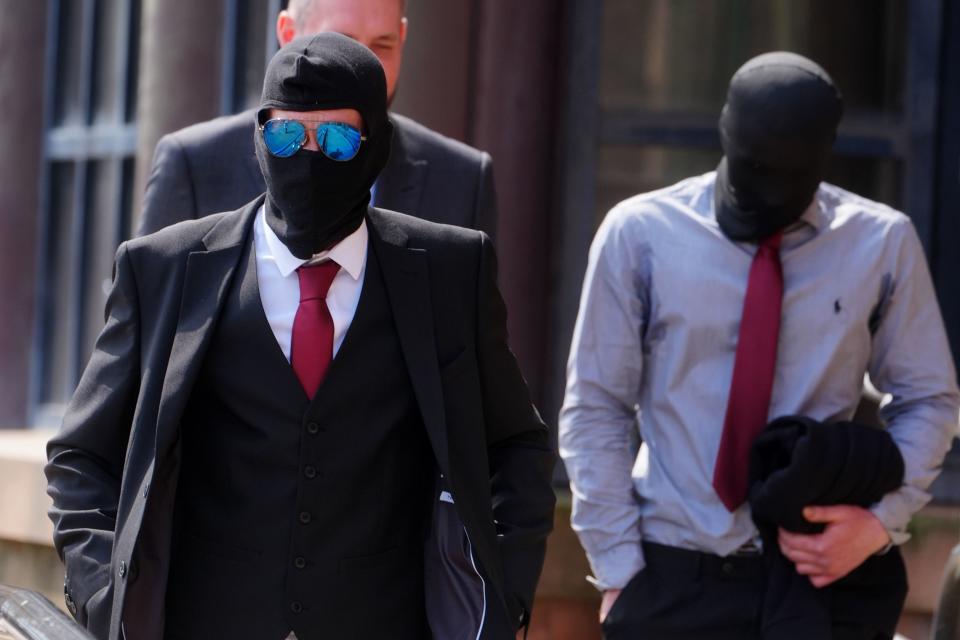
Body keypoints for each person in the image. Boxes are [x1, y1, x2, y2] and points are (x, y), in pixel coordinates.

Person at [46, 33, 554, 640]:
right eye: (287, 136)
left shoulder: (450, 270)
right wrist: (107, 594)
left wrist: (505, 598)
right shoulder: (162, 269)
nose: (308, 157)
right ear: (261, 139)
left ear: (375, 147)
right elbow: (81, 455)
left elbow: (517, 448)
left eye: (337, 140)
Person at [559, 51, 959, 639]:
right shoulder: (639, 234)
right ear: (726, 134)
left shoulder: (881, 245)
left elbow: (930, 399)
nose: (768, 192)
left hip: (819, 580)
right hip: (672, 576)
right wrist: (619, 573)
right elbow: (594, 407)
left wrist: (879, 523)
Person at [137, 0, 497, 239]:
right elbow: (145, 337)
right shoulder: (194, 167)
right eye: (342, 43)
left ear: (403, 39)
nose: (364, 70)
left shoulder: (462, 181)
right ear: (288, 35)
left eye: (382, 46)